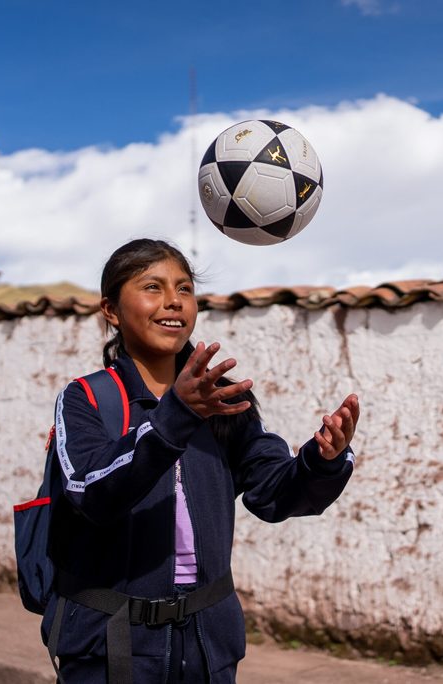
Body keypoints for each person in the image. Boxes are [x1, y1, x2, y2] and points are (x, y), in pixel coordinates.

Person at [41, 238, 359, 683]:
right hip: (112, 647)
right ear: (111, 310)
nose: (173, 301)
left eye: (184, 288)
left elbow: (272, 493)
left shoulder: (224, 400)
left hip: (206, 647)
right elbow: (91, 493)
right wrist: (175, 416)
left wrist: (322, 461)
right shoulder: (87, 398)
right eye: (152, 286)